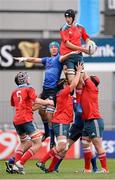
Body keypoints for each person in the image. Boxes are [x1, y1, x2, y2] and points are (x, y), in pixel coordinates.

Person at [14, 41, 75, 148]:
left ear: (58, 49)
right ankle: (46, 132)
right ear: (50, 49)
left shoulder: (59, 58)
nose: (54, 49)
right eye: (52, 47)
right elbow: (34, 59)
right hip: (45, 90)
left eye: (56, 47)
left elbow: (63, 58)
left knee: (49, 114)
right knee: (38, 111)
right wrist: (23, 59)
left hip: (53, 90)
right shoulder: (47, 60)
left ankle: (52, 140)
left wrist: (73, 52)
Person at [35, 62, 83, 173]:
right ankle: (42, 161)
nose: (68, 84)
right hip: (60, 122)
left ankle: (51, 169)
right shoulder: (62, 92)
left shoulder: (65, 94)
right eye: (66, 83)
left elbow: (74, 84)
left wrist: (68, 71)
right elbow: (74, 84)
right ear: (63, 86)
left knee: (64, 148)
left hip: (65, 122)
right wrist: (79, 71)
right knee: (62, 145)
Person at [5, 71, 54, 174]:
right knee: (38, 143)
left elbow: (14, 104)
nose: (29, 79)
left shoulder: (14, 92)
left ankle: (15, 166)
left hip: (17, 120)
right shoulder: (29, 89)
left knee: (24, 142)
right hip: (26, 119)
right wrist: (48, 102)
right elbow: (35, 100)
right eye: (28, 77)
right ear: (25, 79)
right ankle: (20, 164)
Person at [80, 72, 109, 173]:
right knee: (85, 144)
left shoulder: (92, 87)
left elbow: (84, 75)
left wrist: (80, 67)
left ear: (91, 82)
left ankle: (105, 169)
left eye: (88, 79)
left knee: (98, 146)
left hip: (94, 120)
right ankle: (87, 169)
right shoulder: (87, 89)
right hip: (87, 121)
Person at [60, 9, 97, 84]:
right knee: (71, 80)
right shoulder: (64, 29)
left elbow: (86, 38)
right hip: (68, 56)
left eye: (69, 17)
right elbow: (67, 44)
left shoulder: (80, 27)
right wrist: (83, 49)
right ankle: (68, 92)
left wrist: (90, 44)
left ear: (73, 17)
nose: (67, 19)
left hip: (78, 56)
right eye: (66, 17)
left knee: (80, 81)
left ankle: (78, 95)